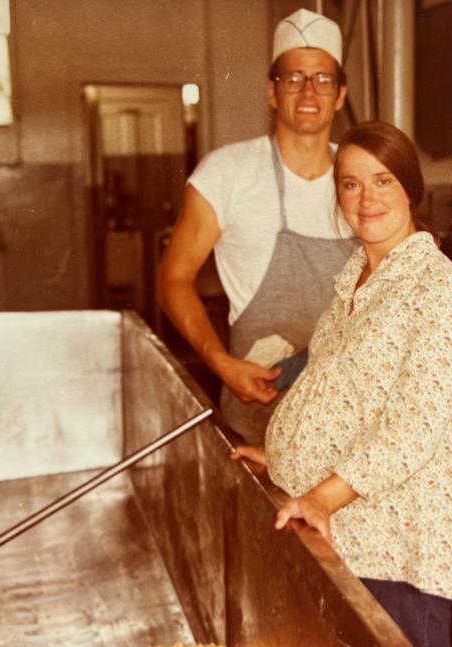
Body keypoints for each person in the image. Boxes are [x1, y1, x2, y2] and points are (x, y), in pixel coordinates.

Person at [234, 121, 452, 647]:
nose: (366, 199)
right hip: (344, 525)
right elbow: (338, 389)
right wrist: (285, 456)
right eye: (350, 184)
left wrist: (321, 495)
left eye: (383, 181)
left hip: (394, 540)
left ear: (411, 190)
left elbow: (410, 428)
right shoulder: (359, 276)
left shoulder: (438, 291)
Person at [156, 9, 354, 444]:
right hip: (260, 412)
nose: (308, 91)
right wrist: (219, 362)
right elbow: (173, 279)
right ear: (272, 90)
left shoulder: (361, 176)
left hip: (349, 418)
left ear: (340, 94)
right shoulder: (226, 173)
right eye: (293, 78)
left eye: (322, 79)